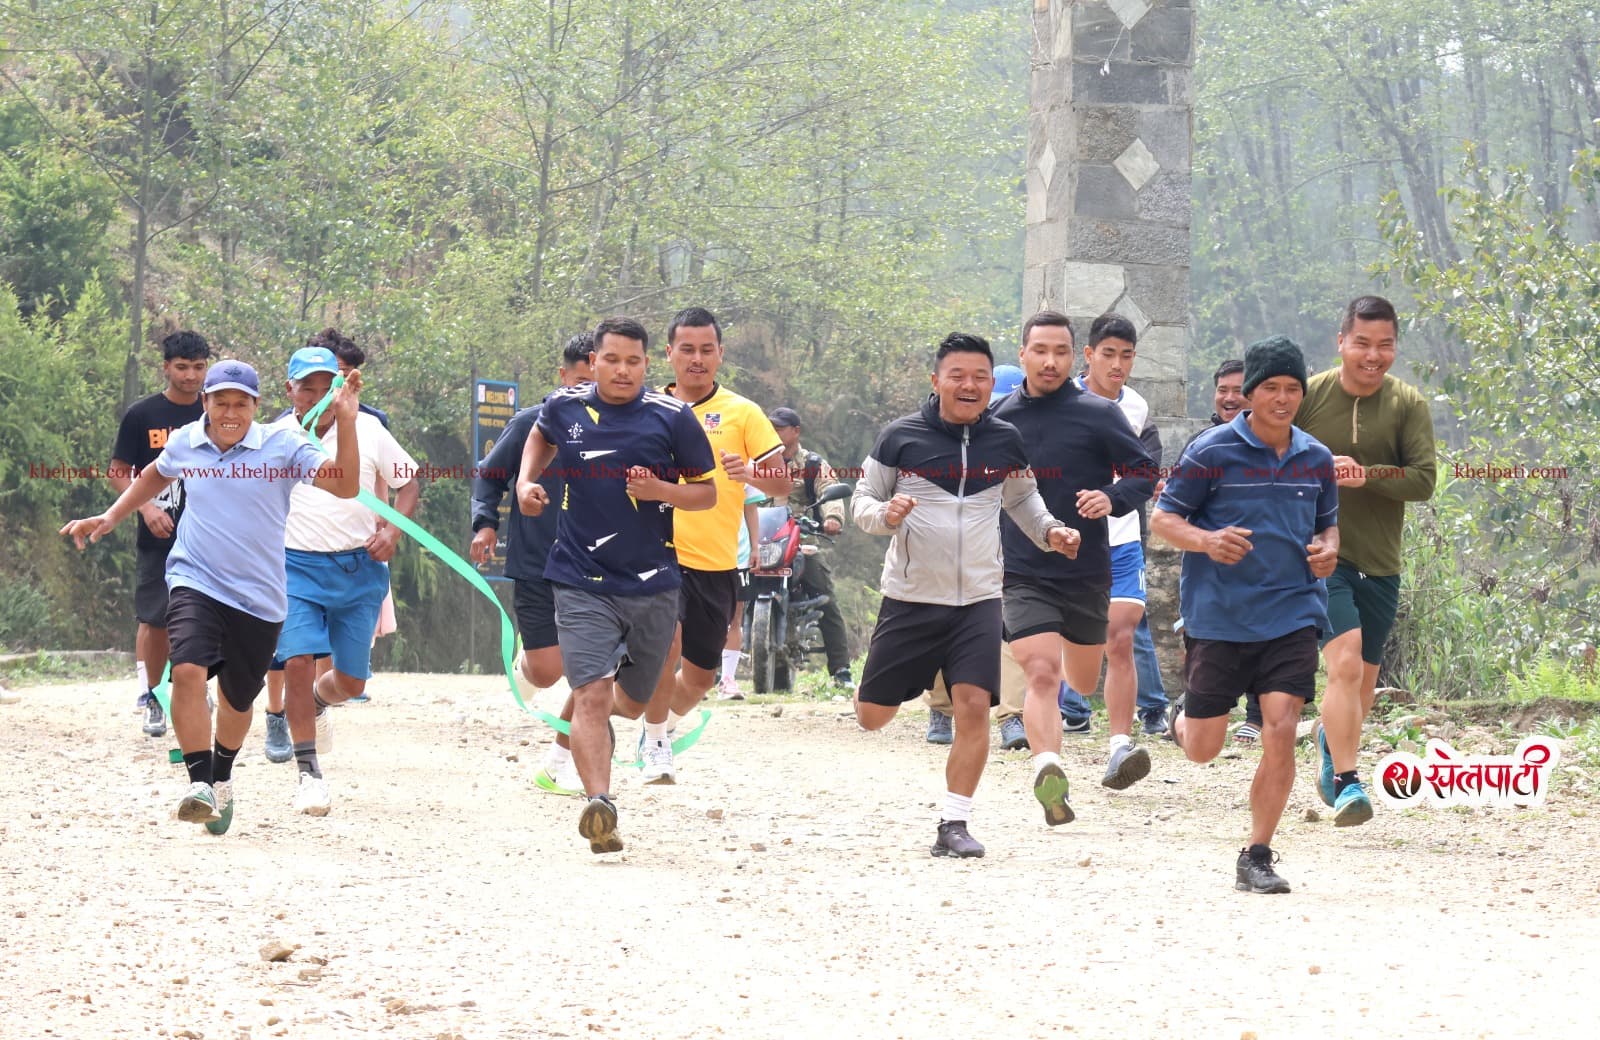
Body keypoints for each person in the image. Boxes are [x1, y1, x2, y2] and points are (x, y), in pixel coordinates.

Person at [62, 360, 362, 834]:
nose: (230, 411)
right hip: (194, 579)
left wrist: (345, 421)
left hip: (259, 598)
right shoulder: (185, 441)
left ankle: (222, 778)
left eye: (240, 403)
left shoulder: (282, 445)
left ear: (256, 406)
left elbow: (345, 485)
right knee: (185, 670)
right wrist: (112, 516)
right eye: (220, 401)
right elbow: (153, 476)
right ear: (204, 402)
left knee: (237, 702)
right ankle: (199, 781)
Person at [852, 333, 1080, 859]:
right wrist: (884, 517)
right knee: (872, 717)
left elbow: (1025, 501)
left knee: (974, 707)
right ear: (936, 382)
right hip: (911, 598)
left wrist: (1051, 533)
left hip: (978, 599)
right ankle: (903, 681)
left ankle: (954, 823)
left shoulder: (1005, 441)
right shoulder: (899, 437)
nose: (970, 385)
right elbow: (864, 496)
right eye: (958, 375)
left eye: (980, 376)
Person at [515, 317, 717, 854]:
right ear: (594, 363)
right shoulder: (564, 407)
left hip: (653, 585)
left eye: (633, 361)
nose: (622, 370)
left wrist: (660, 489)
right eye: (612, 360)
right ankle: (600, 803)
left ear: (647, 364)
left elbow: (708, 495)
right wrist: (525, 480)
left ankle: (602, 759)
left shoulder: (672, 417)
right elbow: (540, 433)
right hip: (580, 579)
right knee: (590, 694)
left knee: (627, 703)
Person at [1152, 336, 1339, 893]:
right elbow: (1164, 520)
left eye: (1292, 389)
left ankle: (1257, 854)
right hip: (1221, 618)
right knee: (1204, 749)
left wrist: (1329, 548)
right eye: (1271, 389)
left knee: (1280, 729)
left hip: (1292, 613)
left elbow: (1327, 526)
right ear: (1251, 394)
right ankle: (1181, 720)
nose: (1282, 399)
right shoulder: (1211, 453)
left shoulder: (1316, 459)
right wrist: (1207, 541)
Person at [991, 311, 1155, 827]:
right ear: (1022, 354)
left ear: (1072, 356)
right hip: (1022, 569)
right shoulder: (998, 419)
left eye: (1060, 351)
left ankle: (1078, 729)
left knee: (1081, 680)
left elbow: (1144, 472)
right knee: (1041, 671)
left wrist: (1111, 497)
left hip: (1086, 570)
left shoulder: (1098, 414)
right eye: (1039, 350)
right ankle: (1049, 768)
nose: (1050, 360)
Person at [1295, 295, 1437, 826]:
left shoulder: (1408, 404)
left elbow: (1424, 480)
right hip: (1321, 556)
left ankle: (1331, 750)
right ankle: (1351, 784)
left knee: (1361, 686)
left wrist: (1368, 473)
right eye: (1362, 343)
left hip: (1380, 561)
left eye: (1385, 345)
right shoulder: (1310, 394)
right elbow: (1274, 453)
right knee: (1345, 663)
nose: (1373, 355)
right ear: (1341, 342)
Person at [638, 307, 791, 783]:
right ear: (668, 354)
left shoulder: (744, 413)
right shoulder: (644, 409)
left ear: (720, 354)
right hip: (655, 553)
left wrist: (751, 475)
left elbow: (783, 485)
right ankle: (658, 742)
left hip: (717, 561)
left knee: (701, 676)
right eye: (687, 349)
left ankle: (657, 727)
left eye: (707, 350)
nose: (697, 359)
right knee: (666, 648)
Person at [275, 346, 420, 815]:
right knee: (297, 660)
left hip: (358, 570)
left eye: (327, 386)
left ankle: (319, 700)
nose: (318, 395)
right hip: (294, 567)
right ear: (289, 390)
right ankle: (308, 773)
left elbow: (409, 482)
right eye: (307, 387)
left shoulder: (370, 429)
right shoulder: (276, 437)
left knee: (352, 683)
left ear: (341, 388)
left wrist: (393, 530)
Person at [471, 333, 594, 795]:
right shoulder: (530, 424)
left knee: (589, 672)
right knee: (547, 672)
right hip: (537, 562)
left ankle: (570, 762)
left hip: (595, 569)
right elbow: (490, 476)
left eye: (594, 382)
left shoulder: (619, 428)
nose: (586, 392)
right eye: (578, 381)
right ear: (562, 377)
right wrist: (484, 525)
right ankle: (527, 664)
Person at [1053, 314, 1169, 743]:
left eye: (1126, 356)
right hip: (1064, 541)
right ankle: (1060, 723)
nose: (1117, 365)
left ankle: (1121, 743)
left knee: (1120, 637)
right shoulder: (1060, 400)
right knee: (1061, 637)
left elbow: (1146, 473)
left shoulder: (1136, 408)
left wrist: (1115, 495)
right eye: (1108, 355)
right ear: (1088, 355)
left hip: (1120, 540)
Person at [108, 330, 211, 738]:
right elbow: (118, 471)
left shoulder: (216, 413)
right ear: (166, 367)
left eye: (198, 367)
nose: (190, 375)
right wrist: (145, 507)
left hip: (209, 536)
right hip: (158, 535)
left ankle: (194, 688)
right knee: (155, 619)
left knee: (207, 617)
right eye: (182, 367)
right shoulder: (142, 415)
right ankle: (153, 696)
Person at [924, 362, 1028, 749]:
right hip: (954, 548)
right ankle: (941, 708)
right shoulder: (943, 436)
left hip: (1014, 546)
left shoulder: (1017, 440)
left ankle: (1012, 717)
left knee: (1009, 628)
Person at [767, 407, 853, 684]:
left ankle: (841, 670)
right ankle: (716, 668)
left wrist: (832, 518)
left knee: (824, 593)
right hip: (761, 539)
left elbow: (829, 490)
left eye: (780, 428)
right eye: (771, 428)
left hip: (800, 538)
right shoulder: (758, 461)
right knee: (723, 591)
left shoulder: (812, 464)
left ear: (796, 431)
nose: (775, 433)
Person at [719, 483, 767, 700]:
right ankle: (693, 675)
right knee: (694, 618)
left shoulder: (742, 463)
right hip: (700, 553)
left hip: (737, 554)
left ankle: (727, 679)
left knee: (735, 619)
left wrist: (756, 547)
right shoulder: (690, 454)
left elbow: (751, 507)